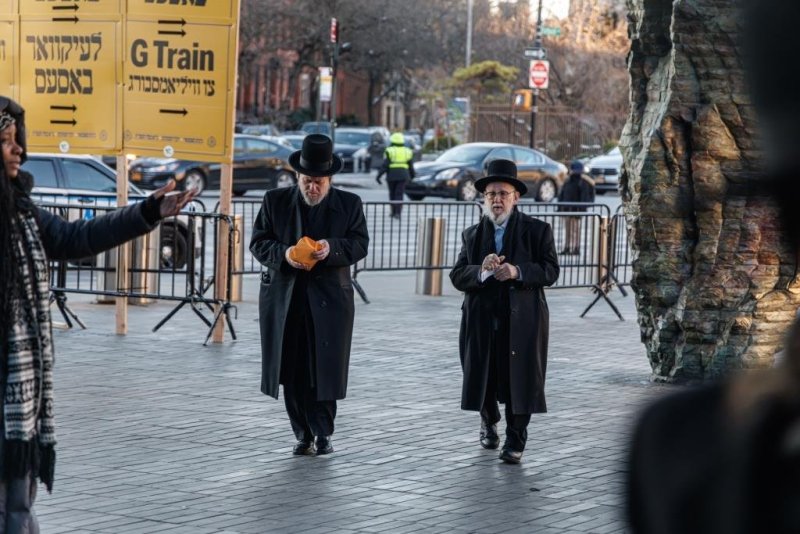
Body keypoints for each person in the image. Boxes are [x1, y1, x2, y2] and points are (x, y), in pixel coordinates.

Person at [0, 96, 195, 532]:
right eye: (7, 142)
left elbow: (77, 237)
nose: (19, 151)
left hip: (19, 392)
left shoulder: (22, 213)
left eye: (19, 141)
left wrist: (148, 212)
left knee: (18, 508)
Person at [250, 134, 369, 457]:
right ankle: (302, 433)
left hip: (330, 302)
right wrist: (285, 254)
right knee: (291, 370)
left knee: (324, 369)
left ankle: (323, 433)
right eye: (306, 181)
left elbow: (360, 244)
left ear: (328, 180)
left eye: (317, 182)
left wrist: (333, 248)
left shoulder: (349, 204)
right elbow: (259, 242)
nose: (311, 188)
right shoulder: (275, 201)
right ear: (297, 177)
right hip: (287, 300)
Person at [449, 159, 560, 464]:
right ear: (484, 198)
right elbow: (457, 275)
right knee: (483, 372)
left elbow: (551, 270)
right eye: (491, 195)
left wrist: (517, 271)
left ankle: (516, 437)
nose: (497, 200)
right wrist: (481, 271)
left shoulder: (537, 231)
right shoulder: (472, 234)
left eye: (503, 193)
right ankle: (488, 422)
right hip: (482, 319)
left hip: (523, 320)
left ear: (516, 197)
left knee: (520, 378)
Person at [556, 160, 595, 255]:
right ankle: (569, 247)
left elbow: (584, 197)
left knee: (573, 230)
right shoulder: (570, 180)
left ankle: (574, 247)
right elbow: (562, 195)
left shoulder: (581, 182)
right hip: (569, 209)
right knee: (570, 230)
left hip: (575, 210)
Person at [375, 132, 415, 219]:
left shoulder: (389, 151)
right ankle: (398, 213)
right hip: (404, 175)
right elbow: (411, 166)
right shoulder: (407, 151)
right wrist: (412, 176)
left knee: (392, 194)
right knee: (399, 194)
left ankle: (393, 212)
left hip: (392, 175)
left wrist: (379, 176)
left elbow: (385, 165)